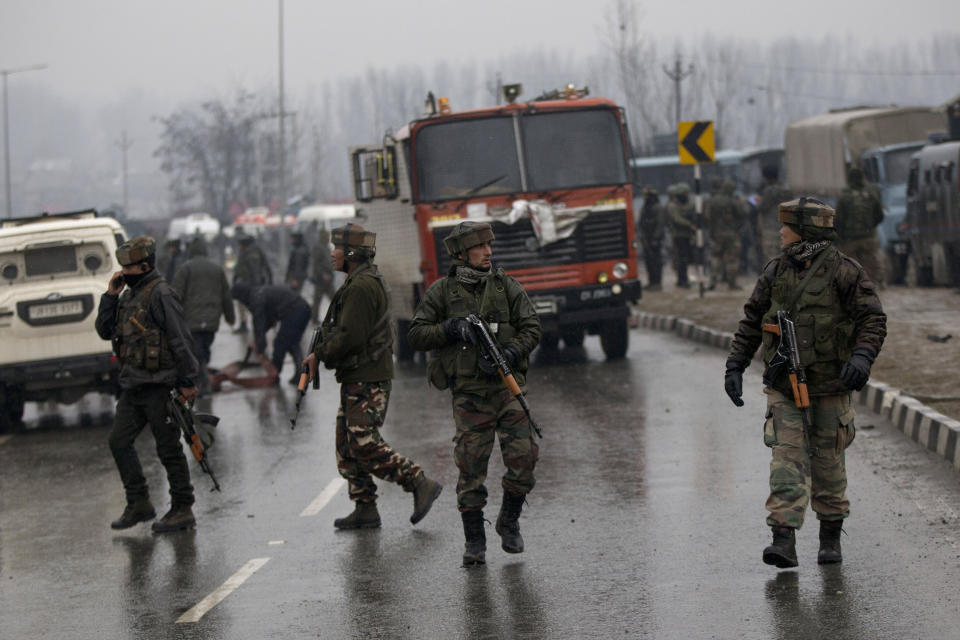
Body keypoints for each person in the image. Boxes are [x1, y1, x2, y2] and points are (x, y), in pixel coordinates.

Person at [723, 198, 886, 568]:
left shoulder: (845, 271)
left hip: (830, 385)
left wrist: (861, 358)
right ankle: (784, 540)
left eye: (786, 226)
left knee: (828, 465)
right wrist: (735, 364)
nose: (780, 232)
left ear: (806, 230)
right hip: (784, 384)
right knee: (786, 461)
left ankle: (830, 539)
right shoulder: (775, 270)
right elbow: (752, 320)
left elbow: (873, 320)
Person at [408, 221, 542, 567]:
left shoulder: (505, 286)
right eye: (480, 247)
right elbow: (416, 334)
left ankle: (508, 521)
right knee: (470, 468)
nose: (488, 253)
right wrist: (451, 328)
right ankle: (474, 540)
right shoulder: (443, 292)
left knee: (524, 458)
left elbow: (532, 327)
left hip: (506, 388)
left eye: (489, 246)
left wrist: (512, 351)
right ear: (461, 253)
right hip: (469, 395)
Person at [301, 223, 443, 531]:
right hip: (357, 375)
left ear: (352, 253)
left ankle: (418, 481)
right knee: (346, 445)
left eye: (337, 248)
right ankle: (365, 507)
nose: (332, 253)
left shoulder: (362, 286)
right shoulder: (358, 281)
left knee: (363, 443)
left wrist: (321, 354)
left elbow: (351, 336)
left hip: (368, 377)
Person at [94, 236, 202, 533]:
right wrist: (110, 296)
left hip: (160, 385)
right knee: (118, 441)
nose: (123, 273)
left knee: (168, 448)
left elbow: (180, 337)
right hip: (133, 386)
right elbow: (105, 331)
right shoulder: (128, 295)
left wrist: (187, 380)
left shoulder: (161, 293)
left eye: (128, 268)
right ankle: (139, 503)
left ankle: (182, 507)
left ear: (144, 265)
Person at [171, 236, 236, 396]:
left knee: (196, 352)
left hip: (191, 320)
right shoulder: (217, 269)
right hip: (212, 320)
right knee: (203, 349)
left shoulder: (185, 269)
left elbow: (175, 294)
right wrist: (230, 317)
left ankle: (203, 382)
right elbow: (226, 295)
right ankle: (203, 378)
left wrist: (172, 318)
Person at [231, 280, 311, 384]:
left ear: (241, 295)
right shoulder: (258, 293)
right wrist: (259, 340)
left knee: (280, 343)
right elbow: (269, 320)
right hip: (303, 309)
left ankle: (275, 373)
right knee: (292, 343)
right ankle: (301, 374)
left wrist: (259, 346)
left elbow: (259, 324)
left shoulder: (256, 299)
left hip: (295, 312)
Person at [835, 166, 885, 285]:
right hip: (868, 239)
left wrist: (840, 238)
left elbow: (838, 220)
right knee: (870, 267)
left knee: (850, 269)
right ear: (862, 178)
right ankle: (870, 288)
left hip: (849, 240)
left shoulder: (844, 197)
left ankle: (854, 291)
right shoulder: (871, 195)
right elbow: (880, 216)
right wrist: (870, 228)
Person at [705, 179, 745, 290]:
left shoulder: (712, 201)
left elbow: (708, 218)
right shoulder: (732, 201)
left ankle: (712, 281)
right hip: (731, 234)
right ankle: (732, 283)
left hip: (717, 234)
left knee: (715, 257)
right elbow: (743, 213)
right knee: (732, 258)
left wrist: (711, 232)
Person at [233, 233, 273, 333]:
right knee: (243, 304)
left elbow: (255, 270)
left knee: (252, 305)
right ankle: (246, 324)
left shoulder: (252, 253)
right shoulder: (246, 251)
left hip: (251, 284)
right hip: (246, 283)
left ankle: (256, 325)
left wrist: (256, 285)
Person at [757, 166, 793, 264]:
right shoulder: (786, 189)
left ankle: (774, 278)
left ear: (766, 177)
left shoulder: (769, 190)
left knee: (771, 257)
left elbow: (762, 207)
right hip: (786, 227)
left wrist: (758, 201)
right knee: (785, 255)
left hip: (771, 228)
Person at [667, 183, 697, 288]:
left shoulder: (688, 204)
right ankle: (682, 280)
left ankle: (683, 279)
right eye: (685, 193)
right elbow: (676, 219)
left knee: (685, 258)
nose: (687, 195)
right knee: (681, 259)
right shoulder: (672, 206)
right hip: (679, 236)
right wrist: (690, 225)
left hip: (687, 235)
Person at [638, 186, 666, 291]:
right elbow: (640, 223)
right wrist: (642, 237)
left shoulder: (658, 208)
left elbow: (660, 224)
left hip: (655, 241)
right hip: (646, 240)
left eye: (647, 196)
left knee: (656, 263)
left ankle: (657, 283)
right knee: (649, 263)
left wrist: (655, 238)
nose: (645, 198)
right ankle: (651, 282)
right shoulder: (645, 208)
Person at [311, 227, 336, 323]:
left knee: (334, 298)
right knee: (317, 299)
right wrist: (323, 274)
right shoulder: (318, 247)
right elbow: (316, 264)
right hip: (321, 279)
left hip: (329, 277)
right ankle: (314, 318)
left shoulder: (327, 247)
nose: (328, 238)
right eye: (326, 236)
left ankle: (337, 317)